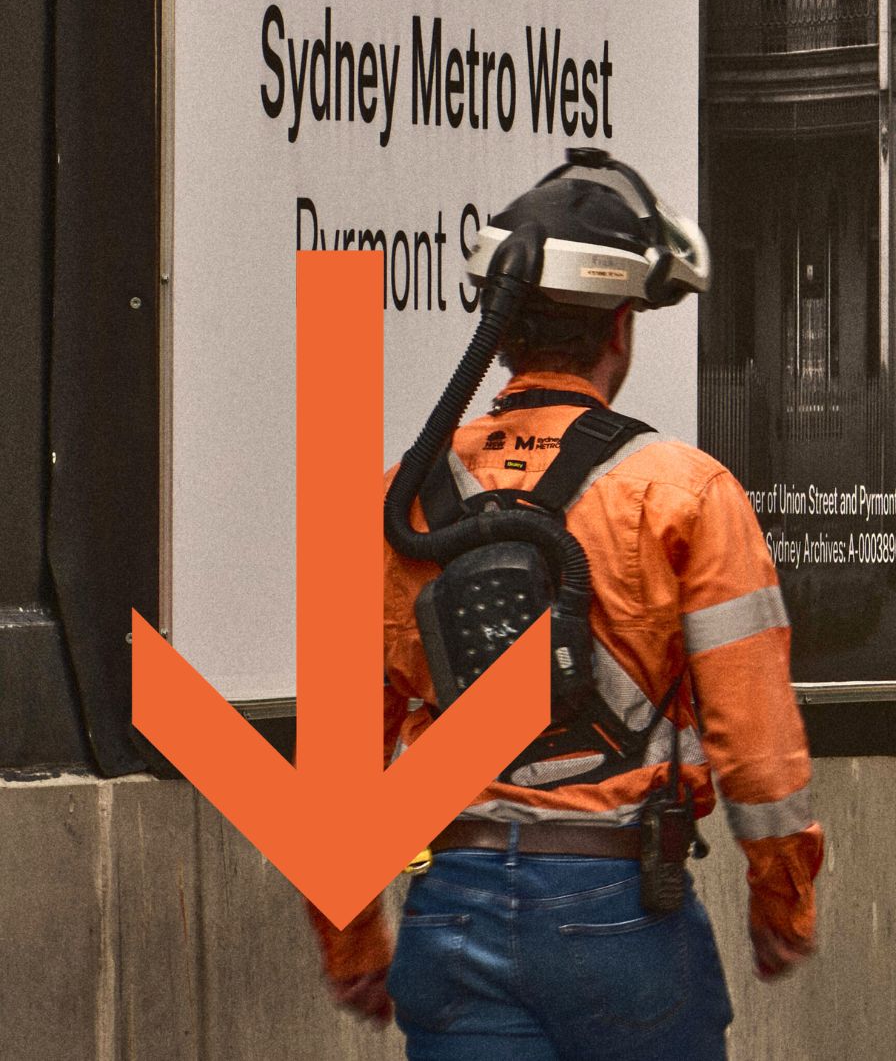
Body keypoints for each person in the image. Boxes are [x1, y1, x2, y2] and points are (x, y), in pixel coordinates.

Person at [310, 155, 823, 1061]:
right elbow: (758, 741)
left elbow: (340, 750)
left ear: (502, 335)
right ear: (621, 325)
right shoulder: (685, 494)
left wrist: (350, 932)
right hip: (618, 910)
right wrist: (782, 897)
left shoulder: (406, 498)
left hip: (451, 905)